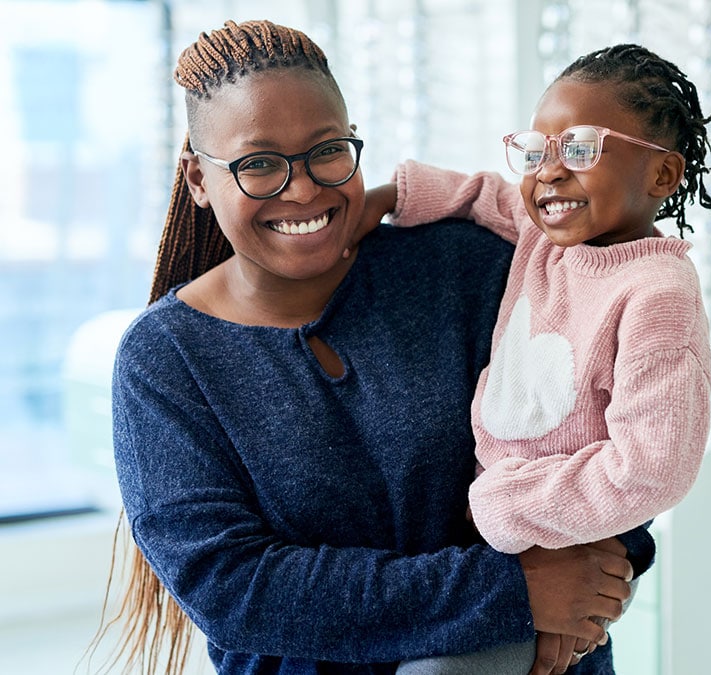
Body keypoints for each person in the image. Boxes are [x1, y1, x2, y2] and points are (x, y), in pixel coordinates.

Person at [99, 19, 653, 675]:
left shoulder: (464, 268)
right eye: (259, 164)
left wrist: (585, 595)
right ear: (196, 177)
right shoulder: (165, 359)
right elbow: (237, 588)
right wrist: (513, 596)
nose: (301, 188)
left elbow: (607, 436)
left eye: (327, 151)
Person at [368, 43, 711, 671]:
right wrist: (386, 196)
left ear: (662, 176)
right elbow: (480, 193)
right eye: (535, 152)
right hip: (510, 542)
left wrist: (514, 511)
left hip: (559, 529)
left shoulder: (657, 294)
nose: (549, 173)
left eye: (581, 149)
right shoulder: (544, 237)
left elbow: (654, 468)